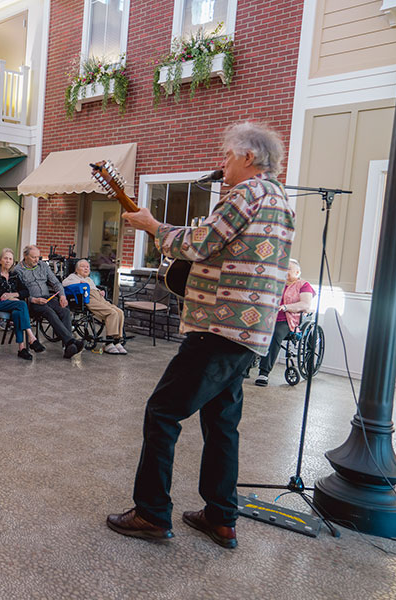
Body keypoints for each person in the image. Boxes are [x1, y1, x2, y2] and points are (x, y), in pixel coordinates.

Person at [107, 121, 294, 549]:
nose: (222, 163)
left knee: (162, 411)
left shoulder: (247, 193)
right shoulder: (280, 199)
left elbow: (203, 242)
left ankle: (152, 513)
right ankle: (220, 517)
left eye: (227, 155)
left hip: (219, 326)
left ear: (249, 157)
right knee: (221, 421)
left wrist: (154, 227)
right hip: (249, 332)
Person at [13, 245, 84, 359]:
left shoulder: (43, 266)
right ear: (25, 256)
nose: (37, 260)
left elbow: (56, 283)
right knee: (49, 312)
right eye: (33, 257)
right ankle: (71, 342)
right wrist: (34, 299)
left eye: (38, 257)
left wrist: (62, 296)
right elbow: (19, 292)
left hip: (48, 298)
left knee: (65, 311)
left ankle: (68, 347)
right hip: (32, 302)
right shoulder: (18, 270)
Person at [255, 258, 314, 387]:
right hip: (268, 318)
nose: (284, 271)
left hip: (288, 320)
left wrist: (286, 307)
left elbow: (305, 304)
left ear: (297, 272)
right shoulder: (276, 283)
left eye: (288, 269)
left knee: (275, 333)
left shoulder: (304, 285)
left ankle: (263, 373)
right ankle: (245, 367)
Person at [0, 248, 42, 360]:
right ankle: (31, 337)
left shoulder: (14, 275)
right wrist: (10, 298)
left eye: (10, 259)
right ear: (0, 260)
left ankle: (21, 348)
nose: (7, 261)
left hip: (13, 305)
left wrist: (13, 295)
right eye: (5, 258)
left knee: (17, 313)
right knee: (21, 305)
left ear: (13, 262)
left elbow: (26, 291)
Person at [62, 259, 127, 354]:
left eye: (87, 267)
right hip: (87, 298)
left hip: (98, 297)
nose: (86, 268)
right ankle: (108, 343)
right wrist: (78, 284)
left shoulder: (89, 279)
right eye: (83, 266)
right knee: (111, 313)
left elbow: (94, 288)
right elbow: (64, 283)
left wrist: (100, 291)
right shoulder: (72, 277)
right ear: (76, 270)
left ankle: (116, 341)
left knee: (119, 312)